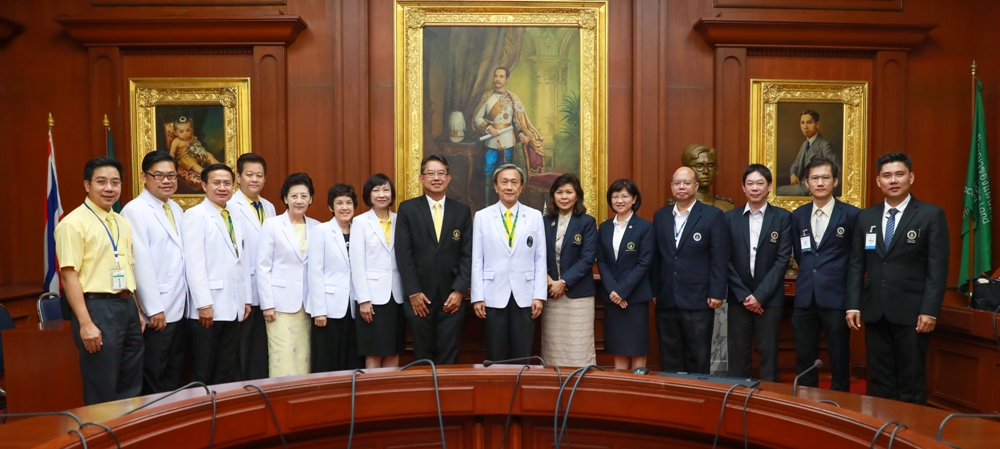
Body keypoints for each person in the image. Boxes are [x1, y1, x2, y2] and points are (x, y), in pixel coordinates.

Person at [846, 152, 948, 405]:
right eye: (887, 175)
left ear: (911, 177)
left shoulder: (930, 214)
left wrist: (930, 310)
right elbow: (857, 264)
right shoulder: (866, 217)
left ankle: (913, 428)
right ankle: (881, 426)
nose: (893, 180)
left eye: (899, 174)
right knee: (879, 378)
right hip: (875, 309)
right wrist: (853, 305)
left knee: (912, 378)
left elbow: (937, 268)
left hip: (913, 312)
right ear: (878, 180)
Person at [55, 157, 144, 405]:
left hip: (126, 306)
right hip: (97, 308)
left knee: (131, 382)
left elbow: (128, 268)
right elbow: (69, 276)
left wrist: (136, 310)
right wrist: (85, 323)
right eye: (101, 182)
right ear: (87, 185)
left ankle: (127, 429)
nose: (109, 188)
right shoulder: (72, 223)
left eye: (115, 182)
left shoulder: (122, 222)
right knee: (103, 385)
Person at [396, 155, 473, 365]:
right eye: (430, 173)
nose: (436, 178)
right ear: (421, 178)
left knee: (449, 355)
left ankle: (446, 389)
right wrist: (413, 292)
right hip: (419, 296)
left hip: (452, 297)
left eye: (441, 173)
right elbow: (403, 254)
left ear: (448, 178)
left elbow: (468, 254)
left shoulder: (462, 211)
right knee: (422, 356)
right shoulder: (408, 209)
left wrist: (459, 291)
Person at [121, 151, 187, 394]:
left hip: (179, 304)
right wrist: (153, 308)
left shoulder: (175, 208)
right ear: (143, 177)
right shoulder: (134, 210)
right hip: (157, 311)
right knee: (154, 373)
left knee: (174, 371)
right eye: (159, 175)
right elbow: (140, 262)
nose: (166, 181)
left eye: (171, 175)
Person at [791, 157, 859, 392]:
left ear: (835, 181)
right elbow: (801, 255)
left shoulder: (851, 215)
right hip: (805, 297)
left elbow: (856, 260)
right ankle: (806, 398)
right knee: (804, 354)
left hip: (836, 297)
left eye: (825, 178)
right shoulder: (798, 216)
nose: (820, 183)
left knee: (839, 354)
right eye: (815, 178)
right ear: (807, 183)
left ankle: (841, 399)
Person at [652, 167, 729, 374]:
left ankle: (697, 392)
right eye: (677, 183)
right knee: (670, 356)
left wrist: (717, 292)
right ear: (671, 187)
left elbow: (719, 257)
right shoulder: (660, 216)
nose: (682, 187)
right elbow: (656, 257)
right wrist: (655, 291)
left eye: (686, 183)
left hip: (699, 299)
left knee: (697, 355)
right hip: (667, 298)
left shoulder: (713, 215)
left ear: (696, 186)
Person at [183, 163, 251, 385]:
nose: (222, 188)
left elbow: (242, 258)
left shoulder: (234, 214)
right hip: (209, 307)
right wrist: (203, 303)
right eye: (216, 183)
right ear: (204, 185)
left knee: (226, 368)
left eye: (227, 183)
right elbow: (194, 262)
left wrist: (246, 298)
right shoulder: (195, 215)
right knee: (204, 369)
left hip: (233, 303)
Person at [471, 163, 547, 361]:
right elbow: (477, 259)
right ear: (496, 186)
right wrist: (478, 297)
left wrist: (539, 295)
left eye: (514, 182)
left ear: (521, 187)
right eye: (504, 182)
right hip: (493, 293)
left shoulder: (534, 216)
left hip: (526, 294)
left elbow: (540, 258)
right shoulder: (482, 216)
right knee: (496, 353)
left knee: (522, 353)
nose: (509, 187)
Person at [724, 164, 792, 382]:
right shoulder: (729, 218)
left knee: (768, 356)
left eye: (760, 183)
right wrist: (745, 296)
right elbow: (725, 260)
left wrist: (759, 296)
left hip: (769, 300)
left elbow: (782, 260)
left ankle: (770, 398)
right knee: (738, 356)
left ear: (769, 186)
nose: (755, 188)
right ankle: (736, 396)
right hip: (739, 299)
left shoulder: (783, 218)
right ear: (743, 187)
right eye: (750, 183)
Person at [256, 173, 319, 377]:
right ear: (285, 198)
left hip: (307, 304)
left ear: (310, 199)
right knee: (281, 355)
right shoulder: (272, 225)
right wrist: (267, 305)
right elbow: (263, 267)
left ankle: (302, 394)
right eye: (294, 196)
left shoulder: (317, 227)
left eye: (304, 196)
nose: (299, 201)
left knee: (304, 355)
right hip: (279, 305)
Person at [596, 178, 653, 371]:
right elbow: (601, 261)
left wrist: (622, 291)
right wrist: (614, 291)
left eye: (624, 196)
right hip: (612, 298)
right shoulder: (605, 227)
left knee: (637, 347)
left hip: (635, 298)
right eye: (615, 196)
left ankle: (639, 385)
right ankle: (620, 386)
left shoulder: (644, 227)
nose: (619, 200)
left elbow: (643, 264)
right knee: (618, 347)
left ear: (634, 199)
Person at [228, 153, 276, 380]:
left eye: (259, 175)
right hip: (242, 288)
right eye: (249, 174)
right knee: (241, 347)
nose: (254, 179)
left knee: (261, 347)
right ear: (238, 177)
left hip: (267, 288)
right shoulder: (230, 205)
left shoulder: (269, 207)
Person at [542, 173, 598, 367]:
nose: (564, 197)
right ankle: (554, 383)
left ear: (577, 195)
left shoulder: (587, 222)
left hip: (578, 295)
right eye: (559, 192)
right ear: (553, 195)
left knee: (578, 345)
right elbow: (537, 255)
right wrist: (549, 281)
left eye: (569, 192)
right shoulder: (544, 221)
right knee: (554, 347)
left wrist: (564, 282)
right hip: (551, 294)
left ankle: (581, 382)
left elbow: (587, 258)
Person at [350, 174, 405, 369]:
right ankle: (372, 388)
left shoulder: (400, 220)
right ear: (368, 195)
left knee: (393, 350)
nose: (382, 194)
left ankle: (391, 388)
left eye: (386, 190)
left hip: (396, 296)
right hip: (371, 298)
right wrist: (363, 299)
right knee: (373, 350)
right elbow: (357, 263)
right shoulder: (360, 222)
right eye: (376, 190)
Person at [308, 184, 363, 372]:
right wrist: (319, 310)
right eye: (339, 203)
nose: (344, 207)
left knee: (351, 359)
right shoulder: (321, 231)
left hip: (353, 306)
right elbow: (315, 272)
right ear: (331, 207)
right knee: (328, 360)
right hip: (328, 307)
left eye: (348, 202)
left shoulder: (359, 231)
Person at [472, 67, 545, 204]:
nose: (497, 79)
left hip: (507, 142)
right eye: (496, 76)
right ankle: (488, 204)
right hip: (491, 142)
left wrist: (521, 134)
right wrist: (488, 128)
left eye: (501, 76)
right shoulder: (487, 97)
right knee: (488, 173)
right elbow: (477, 118)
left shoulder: (513, 99)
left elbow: (517, 122)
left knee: (506, 174)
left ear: (507, 79)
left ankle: (505, 204)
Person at [777, 110, 839, 196]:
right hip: (801, 184)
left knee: (776, 192)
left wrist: (827, 192)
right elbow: (796, 164)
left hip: (812, 187)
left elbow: (838, 171)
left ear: (817, 124)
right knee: (774, 191)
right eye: (802, 123)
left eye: (809, 122)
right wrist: (793, 175)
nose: (805, 127)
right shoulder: (805, 144)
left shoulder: (825, 146)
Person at [681, 144, 734, 212]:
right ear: (686, 171)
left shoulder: (726, 206)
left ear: (716, 170)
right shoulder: (675, 206)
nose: (706, 171)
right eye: (699, 166)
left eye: (710, 165)